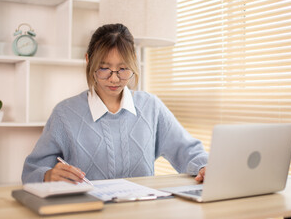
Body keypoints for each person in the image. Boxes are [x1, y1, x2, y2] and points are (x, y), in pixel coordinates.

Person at [22, 23, 208, 184]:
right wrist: (48, 175)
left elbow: (188, 151)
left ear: (134, 61)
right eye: (104, 68)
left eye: (123, 69)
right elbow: (31, 171)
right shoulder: (65, 113)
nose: (114, 78)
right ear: (88, 61)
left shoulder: (151, 107)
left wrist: (204, 167)